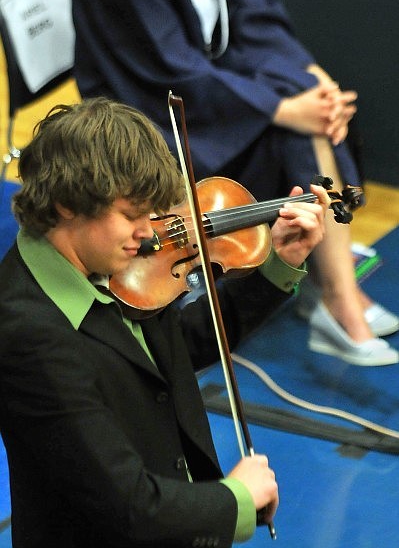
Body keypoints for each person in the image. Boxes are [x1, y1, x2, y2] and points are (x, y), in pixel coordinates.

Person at [72, 0, 399, 365]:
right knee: (297, 129)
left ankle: (329, 284)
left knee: (308, 114)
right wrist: (279, 108)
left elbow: (251, 11)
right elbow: (169, 67)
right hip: (146, 118)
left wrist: (310, 78)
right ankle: (337, 300)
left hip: (203, 93)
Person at [0, 97, 329, 548]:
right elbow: (126, 505)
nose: (150, 232)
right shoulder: (27, 335)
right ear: (65, 205)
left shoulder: (110, 267)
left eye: (152, 213)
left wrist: (278, 266)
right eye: (131, 215)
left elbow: (176, 353)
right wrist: (234, 500)